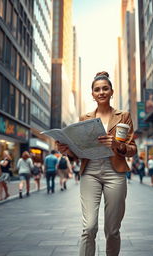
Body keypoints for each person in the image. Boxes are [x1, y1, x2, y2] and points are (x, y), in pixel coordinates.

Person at [56, 71, 137, 256]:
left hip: (115, 173)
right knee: (89, 227)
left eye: (105, 89)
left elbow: (132, 148)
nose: (101, 92)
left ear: (111, 91)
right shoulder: (85, 118)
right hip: (90, 172)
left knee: (113, 229)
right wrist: (67, 150)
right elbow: (79, 150)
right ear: (92, 94)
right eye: (97, 89)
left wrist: (117, 144)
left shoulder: (123, 116)